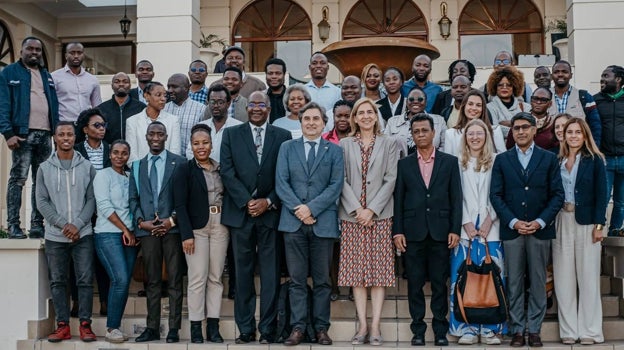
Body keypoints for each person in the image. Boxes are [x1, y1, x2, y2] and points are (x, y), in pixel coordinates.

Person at [220, 91, 292, 344]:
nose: (257, 108)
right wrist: (247, 201)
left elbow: (285, 175)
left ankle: (268, 329)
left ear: (269, 108)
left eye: (262, 104)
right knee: (243, 274)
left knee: (271, 274)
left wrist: (268, 201)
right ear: (246, 108)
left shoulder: (282, 136)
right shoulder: (231, 134)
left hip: (270, 214)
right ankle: (246, 328)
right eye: (253, 104)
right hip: (241, 214)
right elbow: (227, 172)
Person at [490, 112, 564, 347]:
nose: (520, 132)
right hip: (512, 230)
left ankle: (534, 329)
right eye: (516, 128)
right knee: (513, 281)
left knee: (538, 279)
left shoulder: (549, 158)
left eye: (525, 127)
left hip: (539, 230)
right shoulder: (502, 160)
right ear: (511, 132)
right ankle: (517, 329)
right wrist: (513, 222)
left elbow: (557, 195)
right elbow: (496, 195)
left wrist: (540, 221)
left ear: (534, 130)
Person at [275, 102, 344, 346]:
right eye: (307, 119)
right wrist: (300, 211)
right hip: (293, 223)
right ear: (300, 122)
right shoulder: (287, 148)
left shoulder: (335, 151)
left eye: (316, 119)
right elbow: (281, 183)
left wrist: (311, 209)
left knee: (323, 279)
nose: (311, 123)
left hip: (322, 222)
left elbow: (336, 185)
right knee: (296, 280)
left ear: (325, 123)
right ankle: (298, 327)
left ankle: (322, 328)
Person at [393, 113, 462, 346]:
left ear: (433, 133)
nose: (421, 134)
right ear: (411, 136)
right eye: (416, 131)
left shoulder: (450, 162)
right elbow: (399, 200)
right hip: (413, 234)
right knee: (414, 284)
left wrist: (455, 229)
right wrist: (398, 231)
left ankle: (440, 331)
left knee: (439, 284)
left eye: (424, 130)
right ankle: (418, 331)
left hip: (441, 233)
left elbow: (456, 198)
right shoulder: (404, 164)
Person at [339, 98, 399, 346]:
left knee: (379, 273)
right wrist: (357, 209)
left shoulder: (389, 143)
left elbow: (391, 178)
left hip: (380, 216)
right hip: (352, 217)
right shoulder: (344, 144)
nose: (365, 116)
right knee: (356, 273)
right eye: (360, 113)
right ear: (354, 118)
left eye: (369, 112)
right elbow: (340, 179)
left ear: (376, 116)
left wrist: (372, 210)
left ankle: (375, 326)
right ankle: (362, 325)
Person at [35, 121, 97, 343]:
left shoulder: (86, 166)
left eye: (69, 134)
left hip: (83, 234)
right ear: (55, 137)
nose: (66, 138)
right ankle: (62, 325)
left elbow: (92, 199)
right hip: (55, 236)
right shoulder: (44, 168)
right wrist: (63, 225)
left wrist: (78, 224)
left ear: (75, 137)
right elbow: (41, 202)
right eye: (61, 134)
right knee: (58, 281)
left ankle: (85, 325)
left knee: (85, 280)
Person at [129, 121, 186, 343]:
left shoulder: (180, 163)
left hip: (172, 229)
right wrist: (141, 222)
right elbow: (132, 199)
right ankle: (151, 327)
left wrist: (171, 220)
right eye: (152, 133)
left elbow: (185, 198)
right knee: (151, 281)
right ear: (146, 136)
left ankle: (173, 329)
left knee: (174, 280)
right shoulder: (136, 166)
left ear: (166, 136)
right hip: (147, 231)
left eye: (160, 134)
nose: (155, 137)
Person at [448, 119, 504, 345]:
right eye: (470, 133)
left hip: (491, 229)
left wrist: (491, 218)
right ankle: (466, 327)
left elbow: (501, 192)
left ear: (486, 136)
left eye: (479, 133)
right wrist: (465, 222)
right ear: (465, 137)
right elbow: (454, 195)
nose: (474, 137)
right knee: (462, 278)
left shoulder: (497, 161)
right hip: (466, 231)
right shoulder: (456, 163)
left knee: (492, 278)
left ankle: (490, 328)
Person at [553, 117, 607, 345]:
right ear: (564, 135)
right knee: (563, 278)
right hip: (561, 220)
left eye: (578, 132)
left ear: (585, 136)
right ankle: (569, 331)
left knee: (588, 277)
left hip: (586, 223)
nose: (573, 136)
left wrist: (598, 226)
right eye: (569, 132)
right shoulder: (557, 159)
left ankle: (590, 331)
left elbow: (602, 195)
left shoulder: (594, 160)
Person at [174, 124, 228, 344]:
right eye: (196, 143)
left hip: (220, 224)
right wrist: (186, 234)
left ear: (211, 144)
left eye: (205, 142)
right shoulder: (184, 170)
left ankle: (213, 327)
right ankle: (196, 327)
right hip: (197, 228)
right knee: (198, 277)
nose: (201, 147)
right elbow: (180, 204)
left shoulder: (221, 168)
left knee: (216, 277)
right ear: (191, 146)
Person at [0, 36, 59, 239]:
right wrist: (8, 133)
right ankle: (13, 226)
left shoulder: (46, 75)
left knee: (41, 182)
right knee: (18, 179)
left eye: (38, 50)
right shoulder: (9, 73)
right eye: (30, 49)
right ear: (21, 51)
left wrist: (56, 132)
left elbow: (54, 106)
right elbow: (3, 105)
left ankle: (37, 224)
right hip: (22, 135)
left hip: (46, 135)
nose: (34, 52)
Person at [93, 139, 138, 343]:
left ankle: (116, 326)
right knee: (119, 279)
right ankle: (112, 328)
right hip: (108, 234)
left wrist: (133, 231)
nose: (120, 156)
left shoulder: (130, 177)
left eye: (124, 153)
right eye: (116, 152)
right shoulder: (103, 175)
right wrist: (124, 230)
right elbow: (104, 205)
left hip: (129, 234)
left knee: (124, 281)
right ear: (110, 154)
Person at [73, 108, 111, 316]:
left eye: (104, 125)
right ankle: (77, 301)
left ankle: (105, 301)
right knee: (80, 259)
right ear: (85, 129)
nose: (102, 129)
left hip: (105, 214)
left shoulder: (112, 149)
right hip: (81, 212)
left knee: (103, 259)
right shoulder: (76, 150)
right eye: (97, 125)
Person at [595, 64, 624, 236]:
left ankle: (614, 233)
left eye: (606, 76)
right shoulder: (595, 100)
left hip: (623, 158)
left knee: (621, 202)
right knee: (603, 199)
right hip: (604, 158)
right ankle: (598, 231)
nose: (602, 79)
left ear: (619, 79)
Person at [547, 60, 601, 144]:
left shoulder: (584, 97)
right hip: (552, 150)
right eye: (556, 72)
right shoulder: (544, 97)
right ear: (551, 76)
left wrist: (593, 148)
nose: (560, 74)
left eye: (564, 72)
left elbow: (595, 126)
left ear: (571, 75)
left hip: (578, 149)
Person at [126, 82, 181, 162]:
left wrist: (166, 171)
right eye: (158, 95)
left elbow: (175, 152)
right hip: (140, 171)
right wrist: (141, 171)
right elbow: (131, 154)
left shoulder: (173, 120)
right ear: (146, 96)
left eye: (165, 95)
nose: (163, 99)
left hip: (167, 172)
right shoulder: (132, 121)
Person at [186, 84, 243, 162]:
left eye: (220, 102)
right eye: (212, 102)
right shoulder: (200, 127)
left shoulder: (239, 127)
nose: (216, 105)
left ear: (228, 104)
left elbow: (241, 156)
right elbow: (190, 153)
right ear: (208, 102)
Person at [385, 87, 446, 157]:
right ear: (406, 102)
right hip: (400, 166)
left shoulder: (439, 121)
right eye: (411, 99)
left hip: (432, 165)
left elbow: (444, 147)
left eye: (420, 99)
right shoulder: (392, 122)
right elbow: (386, 147)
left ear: (426, 102)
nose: (416, 101)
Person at [443, 90, 506, 156]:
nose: (474, 108)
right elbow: (449, 162)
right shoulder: (451, 133)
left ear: (483, 109)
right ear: (464, 106)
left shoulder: (495, 131)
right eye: (470, 104)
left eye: (478, 105)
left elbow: (502, 158)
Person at [52, 42, 101, 122]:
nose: (76, 56)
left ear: (83, 55)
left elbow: (97, 105)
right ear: (66, 56)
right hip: (64, 125)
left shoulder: (92, 80)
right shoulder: (55, 77)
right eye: (72, 53)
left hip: (86, 125)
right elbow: (51, 104)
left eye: (79, 53)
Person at [98, 72, 146, 144]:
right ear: (112, 86)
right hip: (110, 151)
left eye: (125, 81)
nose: (121, 84)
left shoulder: (141, 107)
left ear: (130, 85)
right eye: (117, 82)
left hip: (134, 150)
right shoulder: (101, 109)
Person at [164, 73, 206, 154]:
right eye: (168, 87)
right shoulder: (163, 109)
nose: (169, 90)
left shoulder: (201, 109)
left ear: (187, 88)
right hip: (169, 160)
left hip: (192, 159)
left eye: (174, 87)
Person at [486, 67, 530, 138]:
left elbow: (530, 130)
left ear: (514, 87)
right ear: (495, 87)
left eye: (509, 85)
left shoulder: (526, 107)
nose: (504, 87)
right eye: (500, 85)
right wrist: (520, 127)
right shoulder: (489, 107)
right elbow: (495, 130)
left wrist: (508, 124)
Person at [305, 52, 341, 123]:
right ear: (310, 67)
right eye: (314, 63)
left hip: (329, 132)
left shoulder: (337, 92)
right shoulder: (302, 91)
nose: (318, 66)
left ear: (327, 67)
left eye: (322, 63)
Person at [265, 58, 287, 123]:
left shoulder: (292, 97)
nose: (274, 76)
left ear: (284, 75)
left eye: (278, 73)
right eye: (270, 73)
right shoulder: (261, 97)